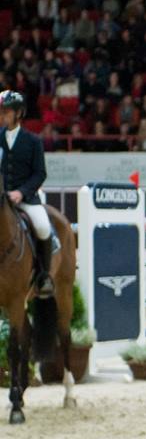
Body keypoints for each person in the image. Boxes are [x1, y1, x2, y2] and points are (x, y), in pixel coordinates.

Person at [0, 91, 54, 295]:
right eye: (1, 111)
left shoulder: (33, 141)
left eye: (6, 112)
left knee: (42, 226)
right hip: (1, 199)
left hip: (26, 199)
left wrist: (21, 193)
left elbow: (40, 173)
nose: (2, 115)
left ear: (18, 113)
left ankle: (43, 276)